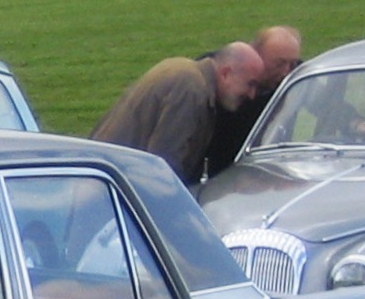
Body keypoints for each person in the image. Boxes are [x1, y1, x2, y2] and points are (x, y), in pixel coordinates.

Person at [89, 41, 264, 185]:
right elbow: (163, 168)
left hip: (102, 176)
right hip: (108, 186)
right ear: (226, 73)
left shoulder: (184, 70)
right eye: (250, 84)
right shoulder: (191, 91)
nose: (252, 95)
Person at [203, 25, 303, 180]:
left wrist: (353, 122)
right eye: (279, 64)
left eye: (292, 64)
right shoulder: (223, 70)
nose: (286, 72)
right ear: (256, 54)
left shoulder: (293, 76)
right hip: (217, 167)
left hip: (267, 168)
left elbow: (324, 97)